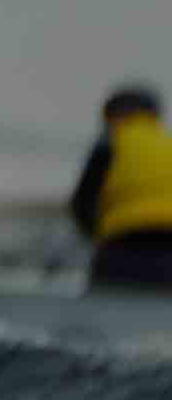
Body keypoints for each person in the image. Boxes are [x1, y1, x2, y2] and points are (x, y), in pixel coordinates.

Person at [67, 84, 172, 294]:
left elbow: (81, 204)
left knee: (106, 314)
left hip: (122, 247)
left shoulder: (110, 144)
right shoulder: (168, 144)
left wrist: (98, 236)